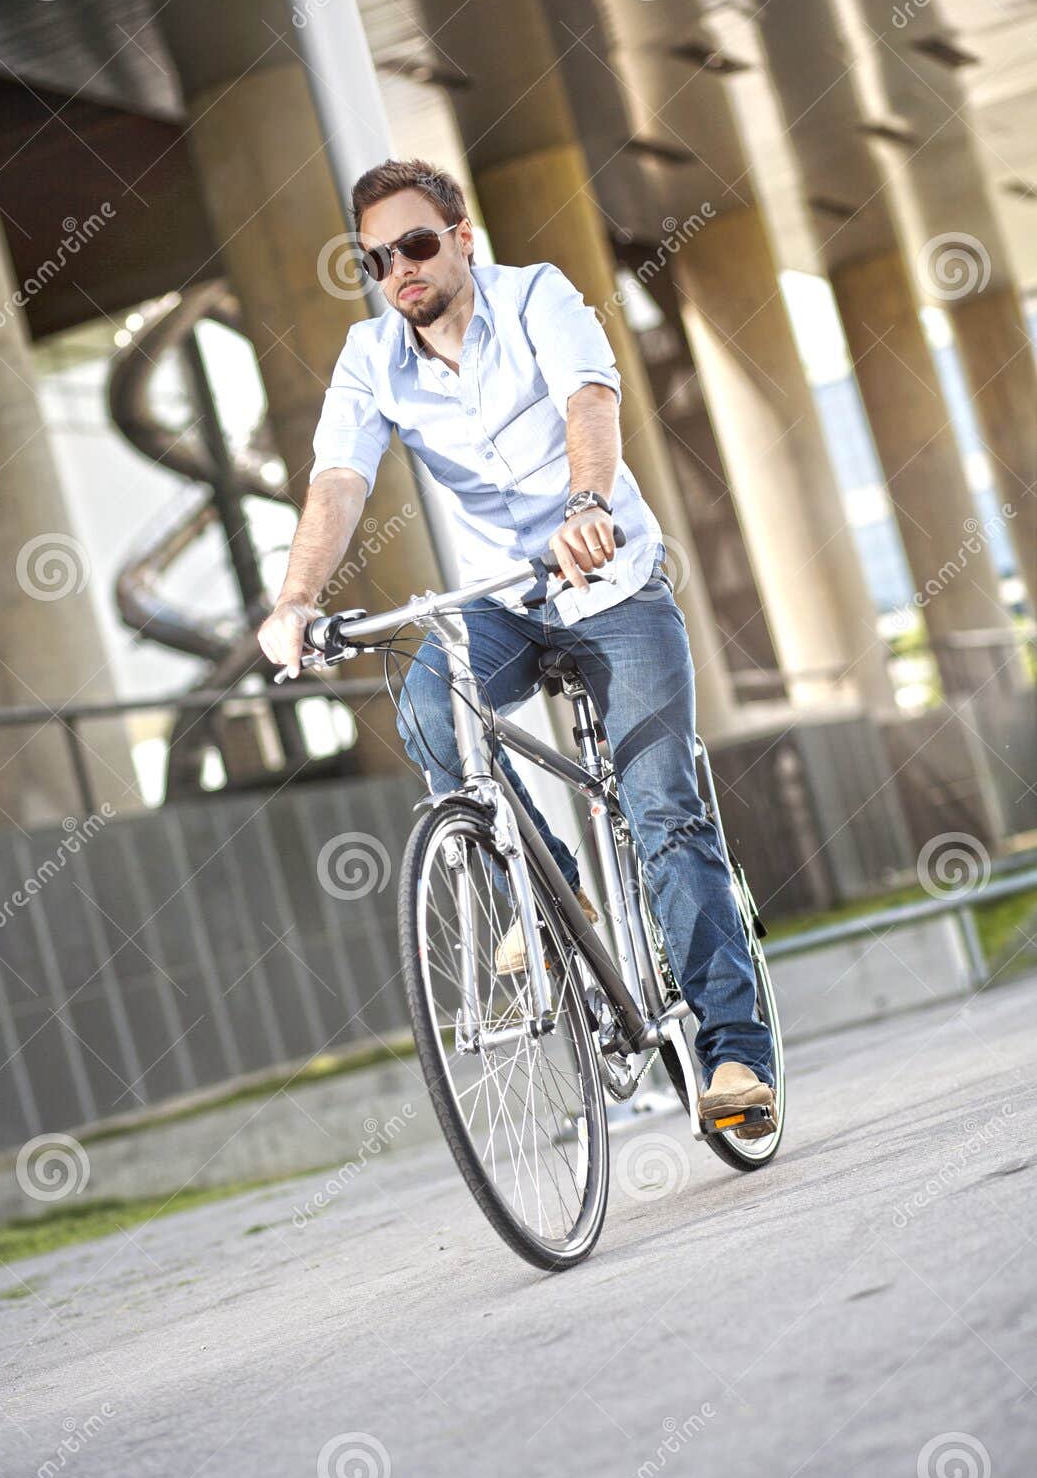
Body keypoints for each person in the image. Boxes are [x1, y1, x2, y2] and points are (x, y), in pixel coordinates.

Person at [258, 158, 775, 1128]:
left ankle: (733, 1057)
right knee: (427, 711)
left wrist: (586, 505)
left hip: (608, 584)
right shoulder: (370, 357)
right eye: (376, 259)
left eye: (416, 244)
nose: (399, 270)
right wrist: (295, 599)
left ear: (461, 237)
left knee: (662, 813)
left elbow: (588, 400)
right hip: (502, 597)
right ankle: (552, 898)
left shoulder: (537, 297)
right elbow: (338, 478)